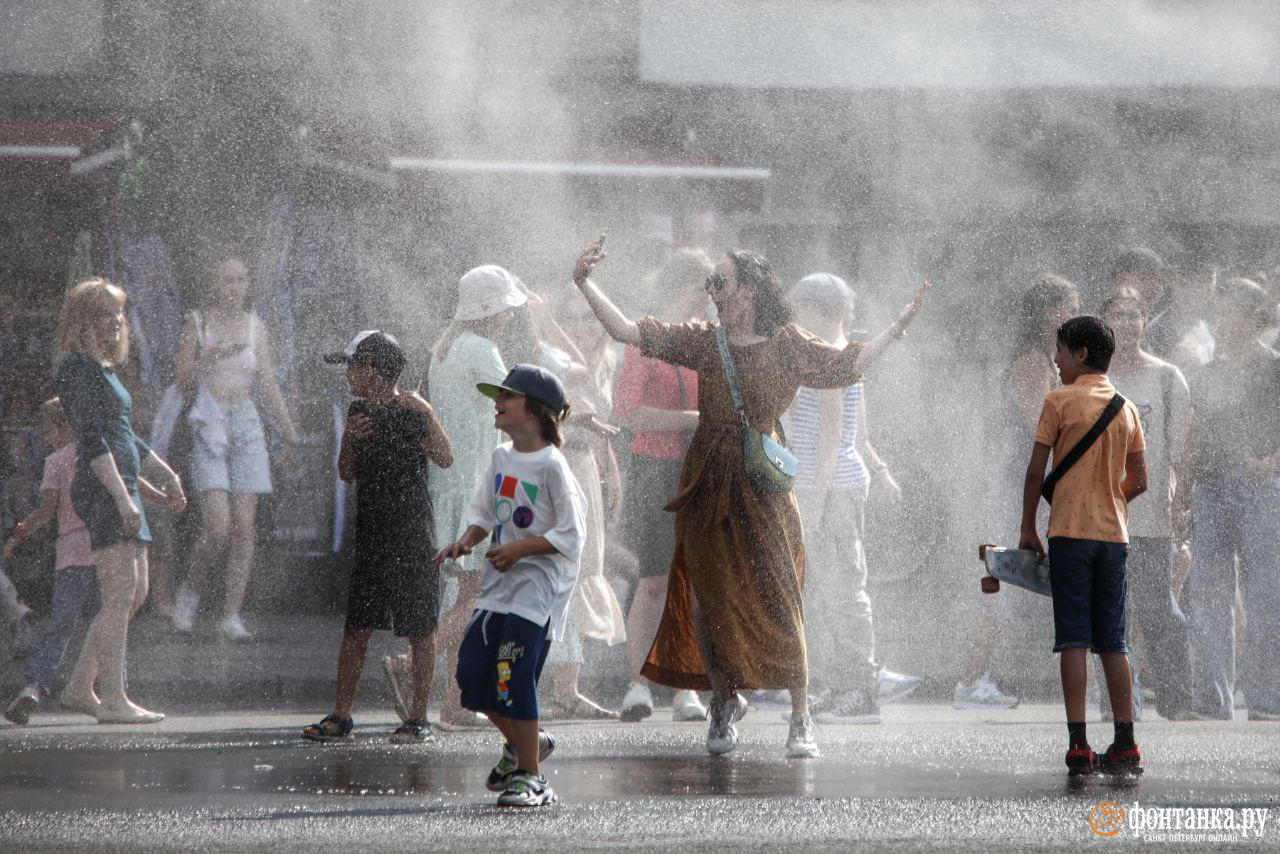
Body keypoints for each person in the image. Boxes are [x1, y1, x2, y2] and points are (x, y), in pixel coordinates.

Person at [571, 240, 927, 758]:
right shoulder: (703, 341)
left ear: (750, 290)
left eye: (721, 283)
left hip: (762, 483)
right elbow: (627, 330)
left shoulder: (787, 344)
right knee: (710, 601)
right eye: (710, 283)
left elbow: (847, 364)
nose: (711, 292)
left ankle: (800, 717)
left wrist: (896, 328)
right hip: (709, 481)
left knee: (780, 593)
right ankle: (722, 703)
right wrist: (584, 283)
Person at [434, 364, 586, 808]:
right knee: (471, 676)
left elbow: (572, 537)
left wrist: (520, 551)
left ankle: (533, 777)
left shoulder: (554, 466)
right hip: (497, 588)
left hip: (536, 593)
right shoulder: (501, 457)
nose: (496, 402)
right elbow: (484, 512)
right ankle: (526, 743)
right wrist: (465, 541)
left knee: (513, 677)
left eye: (507, 396)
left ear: (536, 412)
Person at [385, 265, 526, 728]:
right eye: (505, 308)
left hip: (447, 482)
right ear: (490, 311)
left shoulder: (444, 347)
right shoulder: (481, 349)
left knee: (463, 592)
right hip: (473, 485)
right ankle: (408, 665)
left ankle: (454, 702)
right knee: (477, 593)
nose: (508, 316)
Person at [302, 331, 453, 744]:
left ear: (372, 371)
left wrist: (428, 412)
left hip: (412, 533)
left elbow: (445, 456)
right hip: (372, 535)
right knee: (357, 627)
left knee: (420, 628)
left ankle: (418, 718)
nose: (347, 374)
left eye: (352, 366)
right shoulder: (357, 412)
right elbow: (346, 472)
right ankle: (342, 714)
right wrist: (350, 438)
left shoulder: (410, 409)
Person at [784, 273, 921, 724]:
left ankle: (860, 692)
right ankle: (839, 684)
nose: (792, 313)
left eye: (799, 306)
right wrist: (881, 474)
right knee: (827, 590)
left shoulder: (828, 358)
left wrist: (816, 501)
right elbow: (859, 436)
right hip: (839, 483)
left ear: (819, 310)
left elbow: (831, 435)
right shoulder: (843, 352)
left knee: (841, 589)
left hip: (830, 487)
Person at [1019, 315, 1148, 775]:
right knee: (1113, 640)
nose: (1055, 360)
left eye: (1060, 350)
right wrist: (1111, 498)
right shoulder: (1127, 408)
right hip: (1113, 539)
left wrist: (1028, 528)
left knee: (1073, 637)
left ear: (1081, 354)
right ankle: (1126, 742)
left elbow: (1036, 471)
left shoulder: (1058, 402)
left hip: (1069, 536)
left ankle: (1078, 744)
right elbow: (1140, 481)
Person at [55, 278, 187, 724]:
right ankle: (113, 697)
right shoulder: (77, 370)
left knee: (135, 593)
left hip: (124, 487)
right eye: (103, 315)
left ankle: (79, 687)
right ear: (82, 322)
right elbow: (93, 442)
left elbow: (125, 435)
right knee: (118, 596)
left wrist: (161, 477)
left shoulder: (104, 370)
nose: (114, 322)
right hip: (104, 490)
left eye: (117, 314)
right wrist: (124, 500)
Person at [955, 273, 1078, 709]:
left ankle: (975, 679)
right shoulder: (1032, 362)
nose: (1075, 313)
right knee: (1001, 578)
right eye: (1069, 305)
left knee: (1009, 579)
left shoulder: (1043, 358)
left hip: (1022, 484)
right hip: (1018, 486)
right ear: (1049, 312)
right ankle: (971, 681)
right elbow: (1039, 430)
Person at [171, 257, 299, 640]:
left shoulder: (256, 326)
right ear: (215, 283)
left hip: (245, 419)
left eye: (241, 279)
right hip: (210, 418)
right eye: (227, 280)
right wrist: (209, 356)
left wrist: (289, 432)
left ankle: (231, 615)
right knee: (218, 525)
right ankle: (189, 595)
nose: (234, 287)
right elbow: (181, 379)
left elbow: (270, 383)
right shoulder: (197, 322)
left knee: (245, 527)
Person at [613, 249, 713, 723]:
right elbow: (627, 413)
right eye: (704, 287)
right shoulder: (644, 338)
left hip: (695, 469)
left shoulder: (704, 338)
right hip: (653, 469)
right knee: (653, 581)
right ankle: (638, 687)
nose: (710, 298)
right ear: (683, 286)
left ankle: (686, 687)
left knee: (691, 582)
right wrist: (689, 418)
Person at [1182, 278, 1280, 721]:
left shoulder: (1274, 369)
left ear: (1253, 317)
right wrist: (1181, 492)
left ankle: (1265, 697)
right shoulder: (1207, 373)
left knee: (1265, 594)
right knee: (1208, 595)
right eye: (1218, 313)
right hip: (1211, 488)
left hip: (1261, 488)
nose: (1220, 322)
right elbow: (1196, 434)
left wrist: (1272, 463)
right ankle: (1212, 699)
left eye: (1230, 313)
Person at [1098, 288, 1196, 721]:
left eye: (1134, 315)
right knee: (1110, 616)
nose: (1127, 323)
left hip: (1152, 515)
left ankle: (1178, 702)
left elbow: (1181, 453)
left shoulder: (1167, 378)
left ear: (1145, 320)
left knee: (1159, 610)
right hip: (1100, 519)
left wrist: (1181, 506)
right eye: (1117, 315)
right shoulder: (1090, 380)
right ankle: (1119, 709)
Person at [3, 399, 102, 724]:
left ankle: (33, 687)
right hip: (105, 552)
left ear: (66, 427)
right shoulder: (97, 455)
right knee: (110, 621)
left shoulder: (56, 461)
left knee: (60, 627)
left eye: (49, 430)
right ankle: (112, 691)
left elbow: (46, 511)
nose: (46, 438)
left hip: (70, 556)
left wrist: (17, 536)